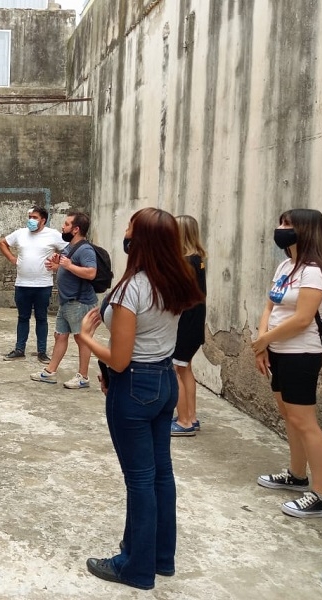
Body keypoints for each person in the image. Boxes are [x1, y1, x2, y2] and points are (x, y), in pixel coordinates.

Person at [78, 208, 203, 590]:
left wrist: (86, 338)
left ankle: (135, 566)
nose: (125, 233)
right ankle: (161, 557)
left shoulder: (133, 289)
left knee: (140, 480)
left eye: (130, 229)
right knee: (160, 474)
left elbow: (120, 358)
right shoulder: (177, 280)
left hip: (134, 385)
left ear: (142, 240)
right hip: (164, 381)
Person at [251, 208, 322, 518]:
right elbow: (269, 307)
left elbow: (303, 319)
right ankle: (297, 475)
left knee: (305, 422)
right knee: (289, 416)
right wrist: (262, 344)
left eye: (287, 224)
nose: (280, 228)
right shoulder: (286, 266)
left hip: (301, 354)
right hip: (277, 352)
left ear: (305, 229)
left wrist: (264, 339)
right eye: (281, 222)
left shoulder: (315, 271)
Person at [30, 211, 97, 389]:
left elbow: (91, 273)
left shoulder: (85, 249)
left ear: (76, 229)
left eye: (66, 224)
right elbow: (68, 269)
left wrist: (68, 265)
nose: (62, 226)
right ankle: (50, 372)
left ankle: (83, 377)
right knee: (60, 336)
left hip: (80, 302)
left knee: (82, 339)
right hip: (67, 301)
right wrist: (57, 266)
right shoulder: (69, 247)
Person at [0, 206, 67, 364]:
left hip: (43, 285)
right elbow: (2, 243)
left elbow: (69, 250)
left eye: (35, 217)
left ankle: (42, 352)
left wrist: (58, 265)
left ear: (43, 220)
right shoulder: (20, 233)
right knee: (23, 317)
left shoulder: (53, 235)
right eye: (30, 217)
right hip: (22, 284)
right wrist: (12, 258)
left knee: (41, 318)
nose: (31, 220)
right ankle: (19, 349)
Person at [171, 215, 207, 437]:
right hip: (195, 322)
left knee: (174, 370)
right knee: (185, 369)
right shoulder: (197, 259)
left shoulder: (185, 262)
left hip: (185, 323)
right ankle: (191, 417)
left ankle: (184, 421)